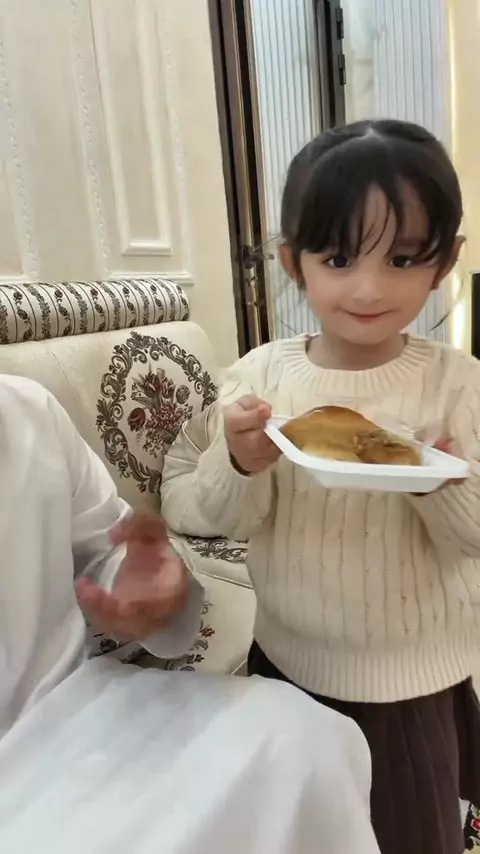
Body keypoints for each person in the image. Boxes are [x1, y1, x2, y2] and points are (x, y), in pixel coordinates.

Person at [161, 119, 480, 854]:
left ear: (444, 262)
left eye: (403, 258)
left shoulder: (457, 387)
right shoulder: (261, 377)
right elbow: (201, 512)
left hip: (407, 682)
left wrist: (439, 481)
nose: (369, 287)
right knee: (298, 832)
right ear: (292, 262)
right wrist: (240, 461)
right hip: (285, 666)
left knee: (406, 831)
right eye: (338, 257)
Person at [0, 373, 380, 854]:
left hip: (73, 707)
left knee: (303, 736)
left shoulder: (28, 410)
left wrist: (156, 592)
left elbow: (108, 553)